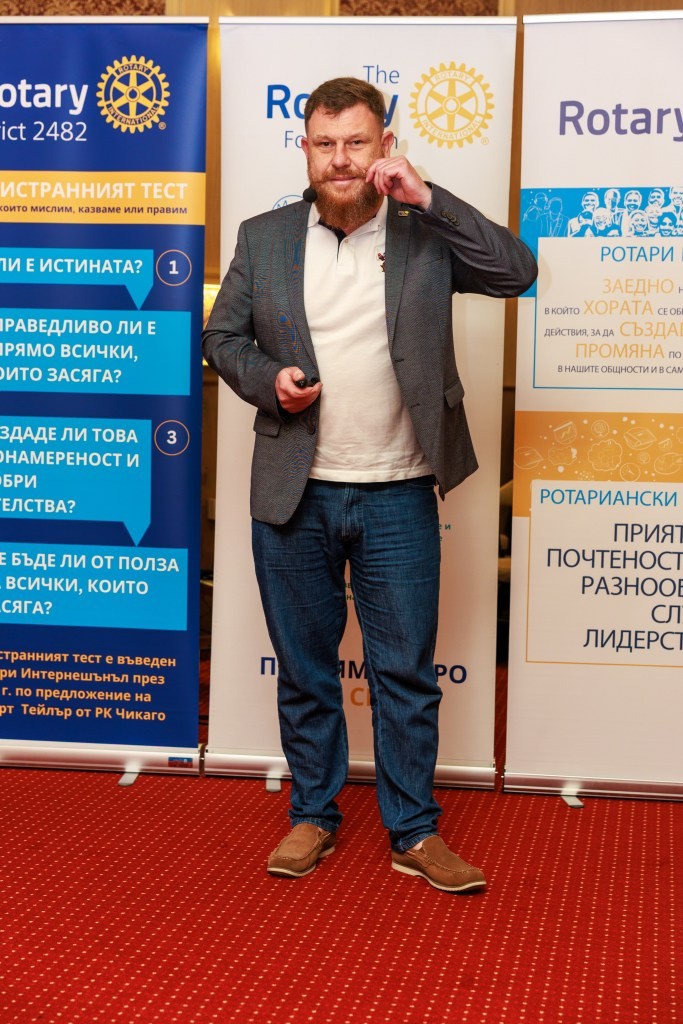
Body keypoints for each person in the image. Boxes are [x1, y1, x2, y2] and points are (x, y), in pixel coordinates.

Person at [202, 77, 537, 894]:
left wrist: (430, 197)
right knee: (306, 668)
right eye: (325, 144)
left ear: (384, 146)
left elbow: (515, 272)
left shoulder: (424, 233)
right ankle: (313, 815)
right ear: (305, 150)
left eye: (356, 142)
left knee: (404, 674)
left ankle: (413, 830)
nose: (341, 159)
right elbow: (221, 337)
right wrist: (267, 381)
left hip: (398, 492)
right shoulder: (264, 237)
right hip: (296, 490)